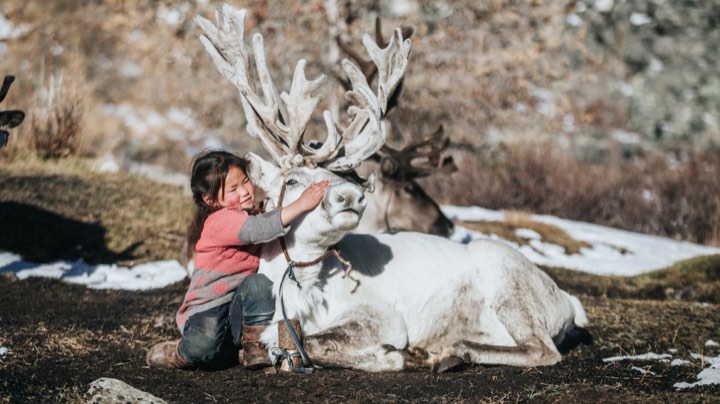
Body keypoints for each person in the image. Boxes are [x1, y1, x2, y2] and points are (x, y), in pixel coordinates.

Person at [146, 150, 330, 370]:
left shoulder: (250, 214)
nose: (244, 191)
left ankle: (254, 348)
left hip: (236, 309)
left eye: (245, 181)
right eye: (233, 189)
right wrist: (301, 204)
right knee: (203, 347)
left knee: (259, 285)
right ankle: (178, 354)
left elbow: (265, 221)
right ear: (210, 200)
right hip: (207, 310)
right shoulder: (220, 221)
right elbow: (258, 229)